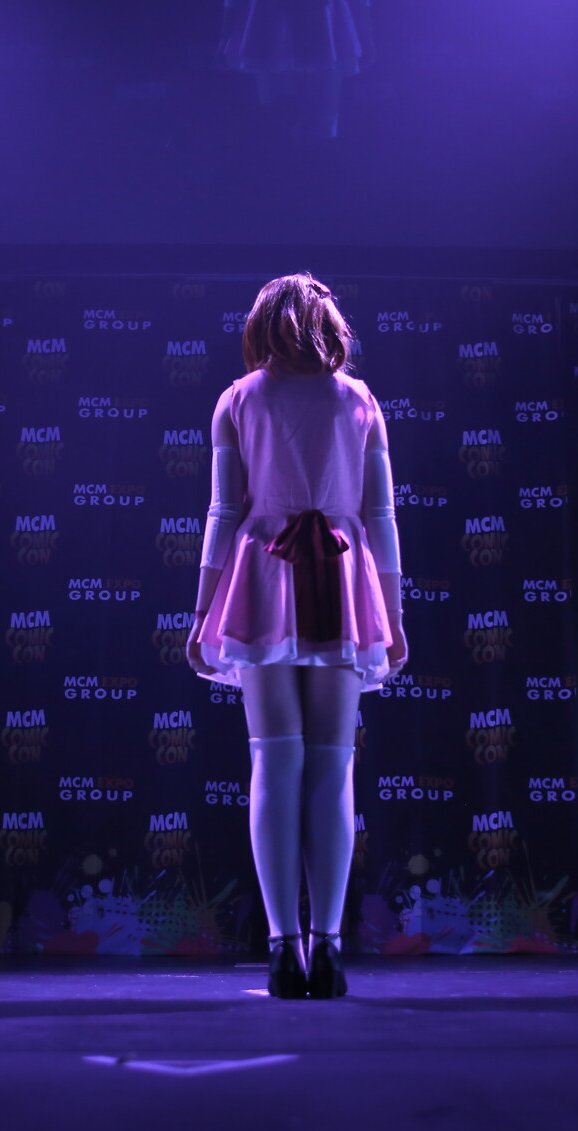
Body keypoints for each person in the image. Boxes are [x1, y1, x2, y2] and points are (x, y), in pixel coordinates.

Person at [187, 274, 406, 1000]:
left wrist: (203, 609)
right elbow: (381, 519)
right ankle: (329, 947)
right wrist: (393, 614)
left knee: (273, 761)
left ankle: (284, 947)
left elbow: (223, 514)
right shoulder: (360, 400)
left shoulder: (237, 400)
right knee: (333, 766)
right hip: (342, 581)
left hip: (262, 578)